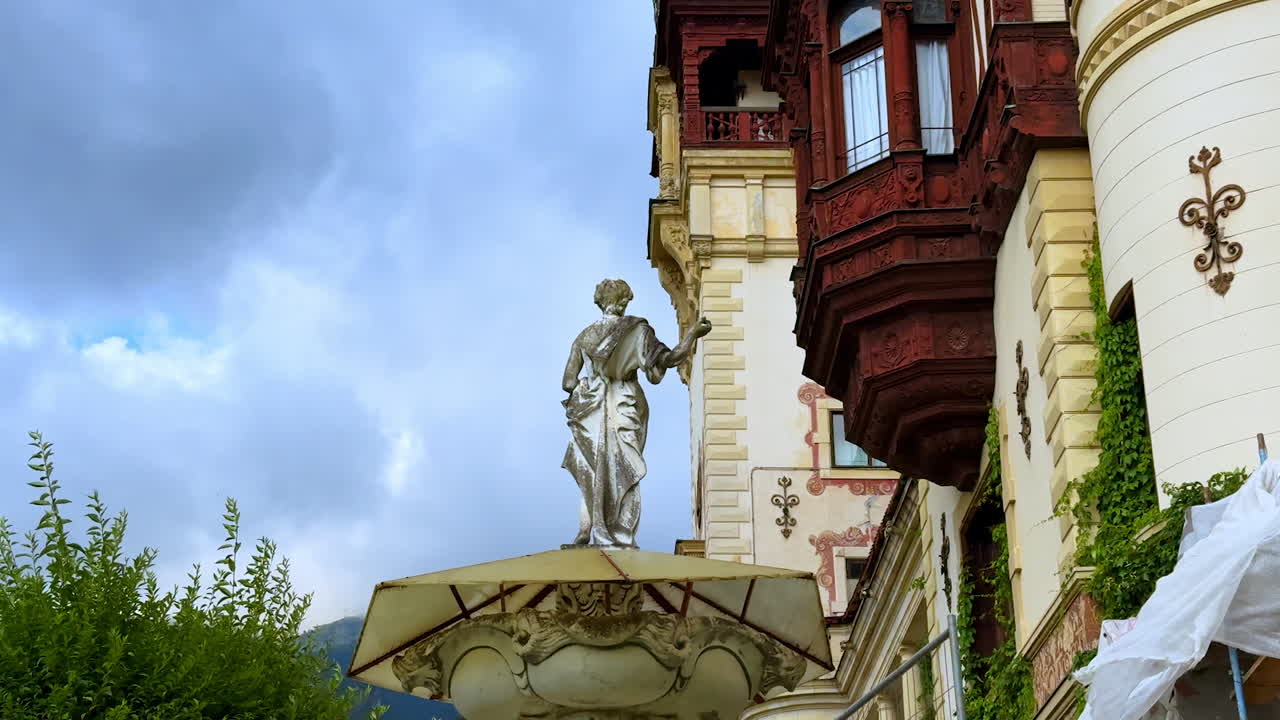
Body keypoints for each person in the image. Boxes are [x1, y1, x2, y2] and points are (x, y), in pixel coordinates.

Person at [561, 278, 712, 548]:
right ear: (625, 301)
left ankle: (588, 530)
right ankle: (621, 535)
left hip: (591, 412)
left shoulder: (583, 337)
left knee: (593, 472)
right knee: (625, 470)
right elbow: (668, 359)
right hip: (623, 406)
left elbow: (568, 382)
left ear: (599, 302)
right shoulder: (637, 330)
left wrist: (591, 384)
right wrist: (692, 335)